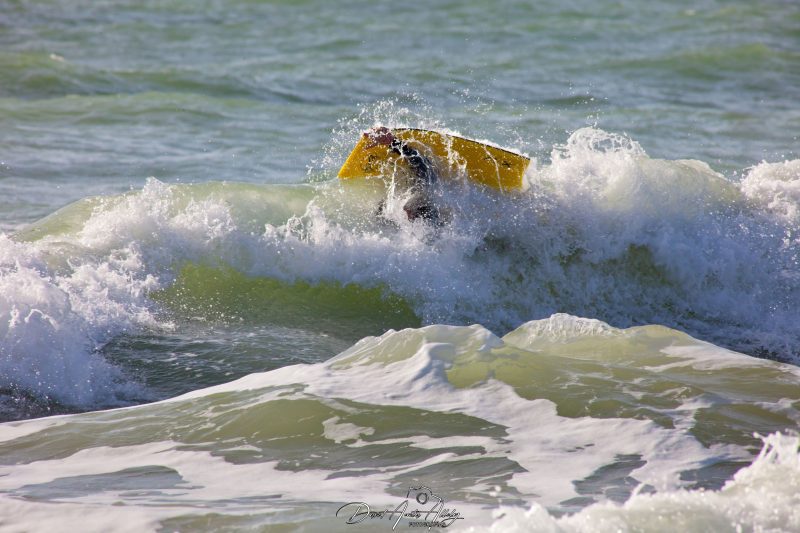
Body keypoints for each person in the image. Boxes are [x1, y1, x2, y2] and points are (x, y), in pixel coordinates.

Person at [363, 126, 441, 225]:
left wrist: (390, 141)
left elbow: (417, 160)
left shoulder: (426, 184)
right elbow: (415, 158)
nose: (405, 213)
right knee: (383, 210)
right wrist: (391, 141)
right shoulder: (427, 183)